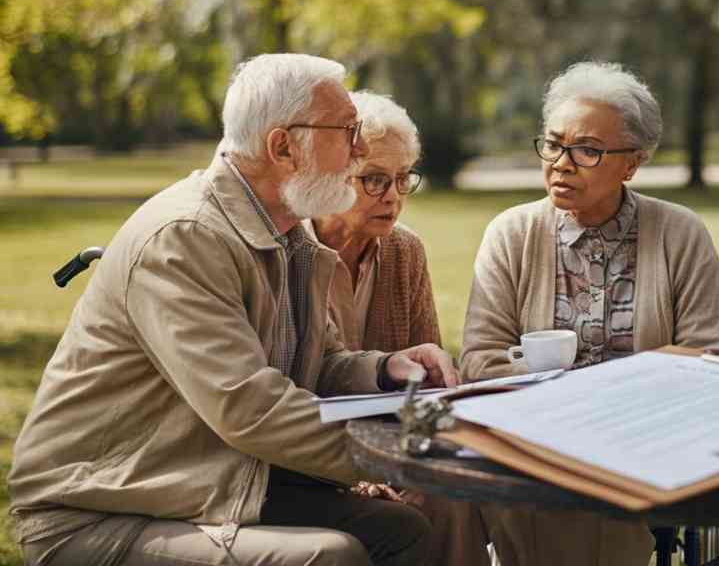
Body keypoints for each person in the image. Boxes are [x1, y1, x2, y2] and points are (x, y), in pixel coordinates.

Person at [8, 53, 458, 566]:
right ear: (283, 146)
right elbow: (251, 409)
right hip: (98, 508)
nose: (358, 151)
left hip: (197, 482)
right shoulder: (185, 238)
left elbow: (321, 362)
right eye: (346, 131)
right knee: (329, 556)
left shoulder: (287, 233)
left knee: (402, 531)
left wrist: (384, 368)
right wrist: (406, 455)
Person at [461, 60, 719, 566]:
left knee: (592, 502)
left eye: (586, 150)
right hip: (534, 442)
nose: (561, 163)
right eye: (552, 143)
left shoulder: (680, 233)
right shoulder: (512, 233)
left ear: (631, 163)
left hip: (647, 446)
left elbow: (710, 359)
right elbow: (480, 361)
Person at [309, 90, 489, 566]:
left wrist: (406, 465)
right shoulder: (289, 253)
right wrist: (363, 479)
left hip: (392, 450)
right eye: (373, 180)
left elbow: (427, 392)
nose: (392, 196)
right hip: (306, 458)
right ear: (330, 177)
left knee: (454, 491)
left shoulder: (405, 252)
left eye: (402, 179)